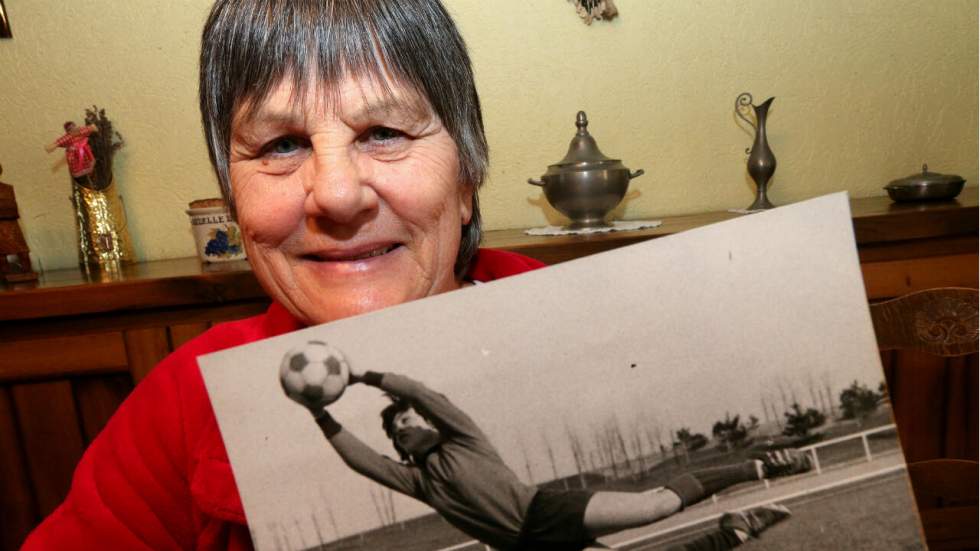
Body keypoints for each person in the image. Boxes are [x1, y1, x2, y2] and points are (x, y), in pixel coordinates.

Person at [23, 1, 544, 549]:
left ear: (467, 181)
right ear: (233, 199)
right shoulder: (183, 404)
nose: (338, 196)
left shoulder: (577, 328)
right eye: (282, 145)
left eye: (385, 132)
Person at [295, 369, 809, 551]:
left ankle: (761, 465)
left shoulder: (463, 439)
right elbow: (360, 459)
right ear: (400, 446)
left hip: (545, 512)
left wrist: (367, 378)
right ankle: (735, 530)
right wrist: (322, 416)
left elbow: (426, 395)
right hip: (523, 547)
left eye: (411, 419)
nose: (408, 425)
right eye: (399, 428)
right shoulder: (418, 481)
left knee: (654, 506)